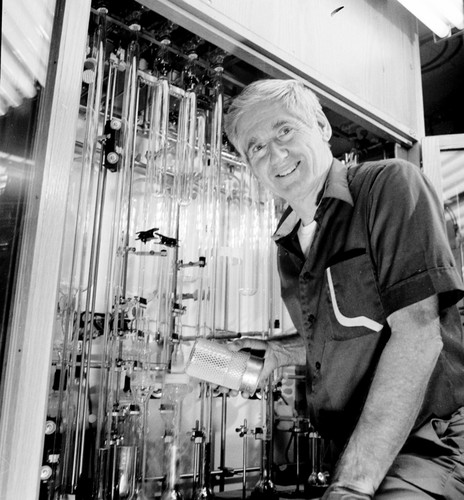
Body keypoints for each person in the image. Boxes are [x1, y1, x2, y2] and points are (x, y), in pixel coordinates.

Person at [223, 79, 464, 499]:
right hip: (355, 446)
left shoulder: (389, 186)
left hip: (430, 440)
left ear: (321, 126)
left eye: (285, 130)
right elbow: (344, 331)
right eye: (256, 147)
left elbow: (417, 332)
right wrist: (276, 352)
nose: (275, 154)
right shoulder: (288, 244)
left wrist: (352, 484)